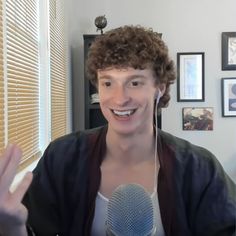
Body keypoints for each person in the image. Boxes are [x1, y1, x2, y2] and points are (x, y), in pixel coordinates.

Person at [0, 25, 236, 236]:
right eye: (108, 83)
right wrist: (11, 227)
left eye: (135, 82)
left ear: (160, 89)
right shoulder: (62, 158)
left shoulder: (200, 168)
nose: (119, 98)